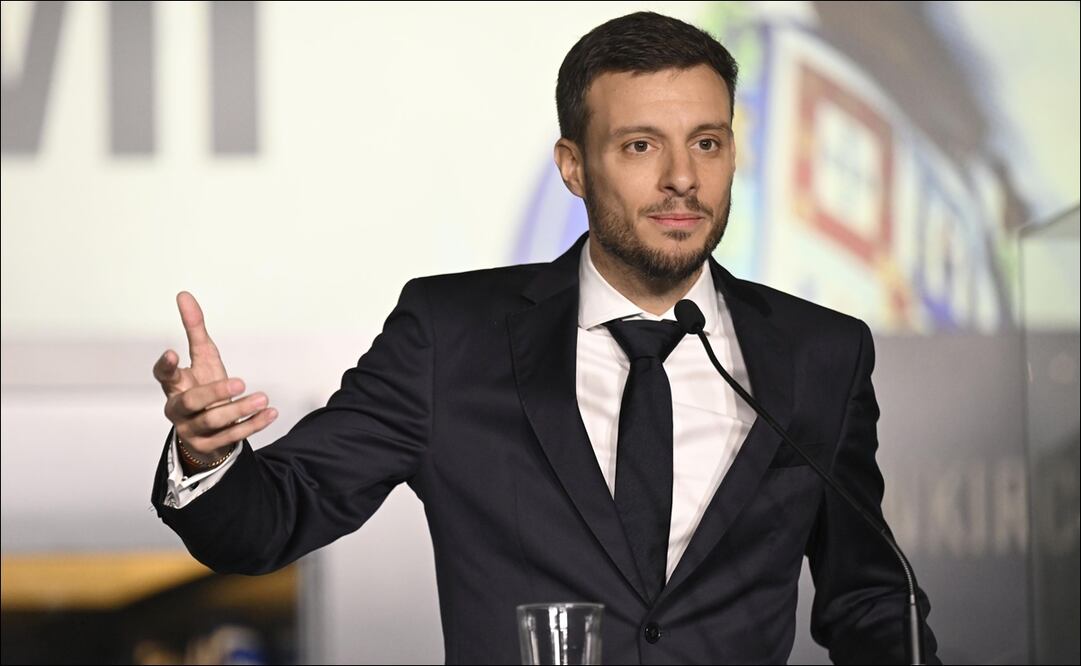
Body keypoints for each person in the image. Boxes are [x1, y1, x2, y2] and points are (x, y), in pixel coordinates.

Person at [151, 11, 938, 664]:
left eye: (706, 142)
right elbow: (270, 521)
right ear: (573, 167)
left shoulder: (819, 353)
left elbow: (869, 598)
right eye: (640, 146)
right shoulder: (450, 337)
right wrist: (206, 456)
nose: (681, 178)